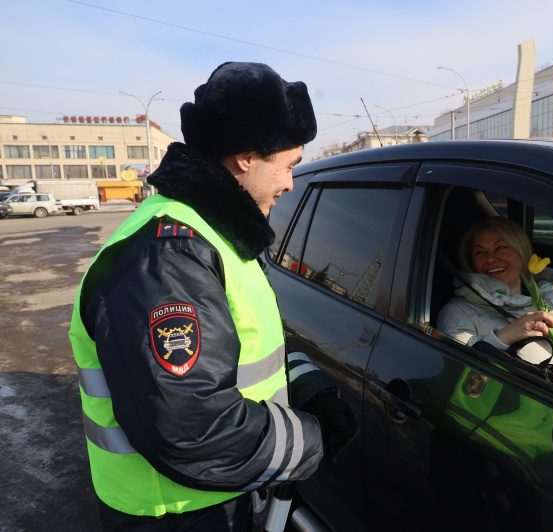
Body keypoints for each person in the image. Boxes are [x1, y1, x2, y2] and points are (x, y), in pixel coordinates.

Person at [68, 62, 357, 530]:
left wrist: (304, 385)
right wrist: (310, 439)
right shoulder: (167, 258)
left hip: (209, 498)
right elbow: (189, 426)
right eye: (288, 165)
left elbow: (241, 348)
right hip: (174, 511)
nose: (289, 184)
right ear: (246, 157)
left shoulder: (211, 234)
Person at [437, 217, 553, 387]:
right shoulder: (458, 311)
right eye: (480, 252)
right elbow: (458, 374)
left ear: (522, 251)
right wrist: (503, 337)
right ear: (471, 262)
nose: (490, 259)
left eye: (501, 248)